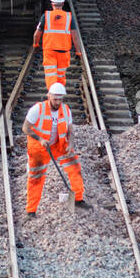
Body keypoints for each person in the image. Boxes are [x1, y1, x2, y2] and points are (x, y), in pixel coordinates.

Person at [22, 81, 88, 216]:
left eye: (60, 99)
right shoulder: (37, 109)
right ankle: (31, 210)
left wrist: (71, 144)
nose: (57, 102)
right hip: (40, 148)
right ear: (49, 96)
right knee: (36, 178)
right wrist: (40, 139)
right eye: (55, 99)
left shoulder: (66, 110)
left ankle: (78, 199)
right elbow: (25, 128)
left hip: (60, 145)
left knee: (75, 168)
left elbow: (70, 131)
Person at [33, 0, 74, 89]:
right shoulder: (69, 17)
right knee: (60, 74)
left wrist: (36, 44)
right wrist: (78, 51)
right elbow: (75, 35)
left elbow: (36, 34)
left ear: (52, 3)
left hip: (49, 50)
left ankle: (52, 94)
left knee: (51, 74)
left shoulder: (46, 16)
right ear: (63, 3)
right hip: (64, 51)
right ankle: (59, 93)